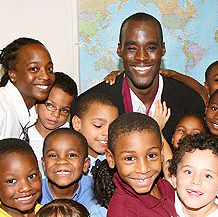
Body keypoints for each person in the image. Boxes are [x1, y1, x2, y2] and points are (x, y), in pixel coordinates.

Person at [76, 12, 205, 142]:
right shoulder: (88, 107)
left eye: (151, 48)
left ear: (163, 49)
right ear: (119, 50)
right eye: (132, 48)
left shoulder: (191, 103)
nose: (142, 57)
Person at [0, 37, 55, 143]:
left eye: (49, 69)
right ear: (13, 75)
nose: (45, 76)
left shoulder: (29, 112)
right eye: (34, 69)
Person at [29, 72, 77, 163]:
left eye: (64, 110)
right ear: (37, 101)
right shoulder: (23, 133)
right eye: (50, 105)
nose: (56, 115)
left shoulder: (72, 135)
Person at [71, 92, 119, 174]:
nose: (107, 133)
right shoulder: (67, 164)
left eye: (112, 127)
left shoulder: (117, 161)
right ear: (77, 123)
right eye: (98, 125)